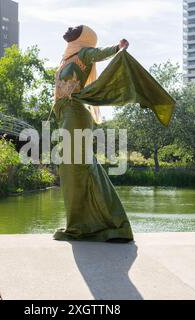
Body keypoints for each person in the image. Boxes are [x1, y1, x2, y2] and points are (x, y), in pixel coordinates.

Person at [52, 25, 134, 243]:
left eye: (76, 28)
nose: (70, 28)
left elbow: (99, 54)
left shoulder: (84, 53)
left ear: (84, 37)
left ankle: (113, 224)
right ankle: (81, 225)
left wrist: (117, 47)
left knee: (79, 167)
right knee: (72, 169)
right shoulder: (67, 58)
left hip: (76, 114)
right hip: (65, 116)